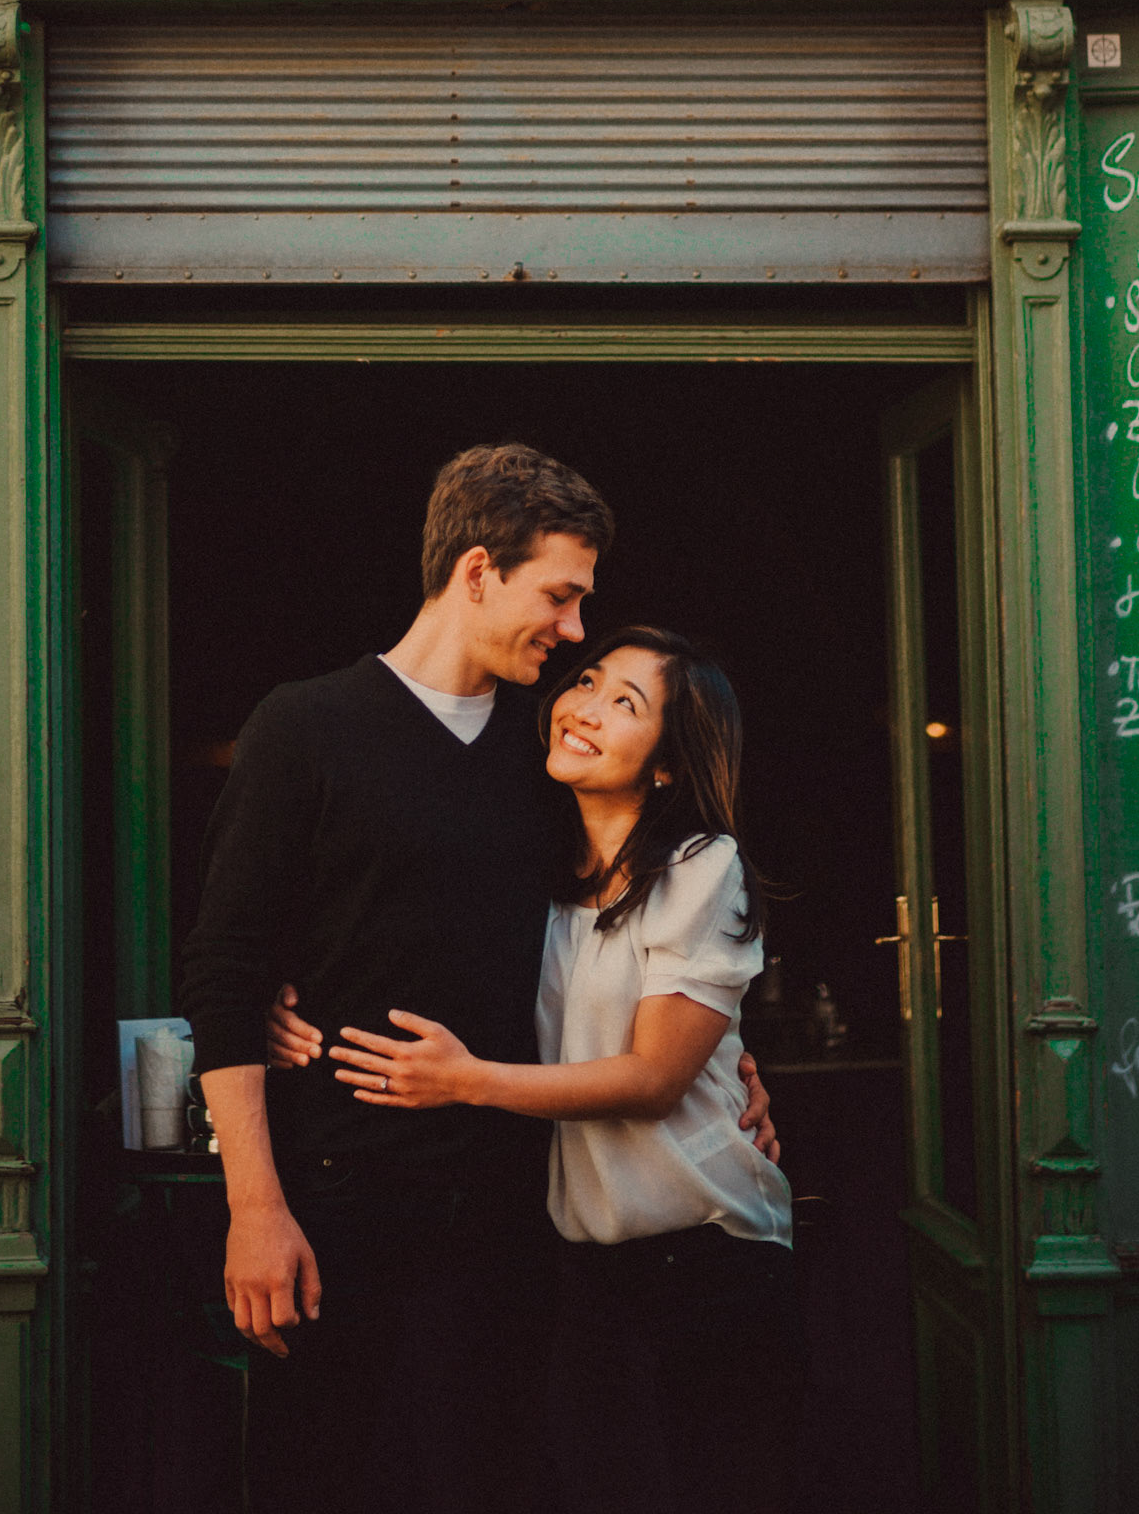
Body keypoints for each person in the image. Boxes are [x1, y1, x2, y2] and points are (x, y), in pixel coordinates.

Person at [180, 444, 775, 1514]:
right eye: (560, 594)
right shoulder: (304, 726)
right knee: (315, 1479)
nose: (574, 630)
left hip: (510, 1224)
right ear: (474, 572)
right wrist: (255, 1207)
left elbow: (622, 921)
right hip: (331, 1206)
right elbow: (222, 970)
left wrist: (723, 1055)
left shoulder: (541, 754)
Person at [327, 625, 800, 1514]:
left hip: (710, 1257)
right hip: (584, 1267)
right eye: (587, 681)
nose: (583, 707)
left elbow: (654, 1078)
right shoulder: (530, 872)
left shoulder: (703, 866)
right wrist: (289, 1000)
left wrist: (467, 1079)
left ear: (667, 764)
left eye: (626, 704)